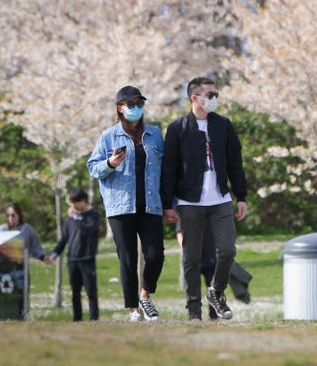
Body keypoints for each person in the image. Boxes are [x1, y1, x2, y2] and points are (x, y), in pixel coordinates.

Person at [161, 76, 248, 321]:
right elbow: (169, 168)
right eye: (210, 95)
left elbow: (235, 163)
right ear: (195, 98)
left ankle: (216, 292)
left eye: (215, 94)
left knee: (228, 250)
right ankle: (193, 310)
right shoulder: (178, 128)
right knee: (191, 258)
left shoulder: (223, 125)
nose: (214, 99)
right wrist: (167, 203)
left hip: (220, 199)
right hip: (189, 202)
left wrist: (241, 196)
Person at [87, 85, 176, 323]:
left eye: (140, 104)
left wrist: (170, 203)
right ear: (120, 108)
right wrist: (111, 163)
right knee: (127, 259)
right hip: (120, 206)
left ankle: (145, 295)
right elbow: (93, 168)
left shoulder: (155, 134)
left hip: (151, 204)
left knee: (156, 255)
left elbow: (167, 171)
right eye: (132, 104)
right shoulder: (108, 136)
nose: (137, 108)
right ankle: (133, 308)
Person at [175, 216, 253, 320]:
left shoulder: (213, 213)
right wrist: (186, 250)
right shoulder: (190, 211)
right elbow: (179, 233)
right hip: (194, 260)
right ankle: (195, 314)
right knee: (193, 289)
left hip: (210, 258)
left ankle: (214, 316)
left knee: (214, 289)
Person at [47, 188, 101, 321]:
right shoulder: (70, 220)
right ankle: (77, 319)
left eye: (74, 203)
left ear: (82, 201)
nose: (72, 207)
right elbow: (64, 239)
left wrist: (77, 218)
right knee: (75, 292)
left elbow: (88, 230)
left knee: (91, 292)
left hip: (87, 259)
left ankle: (93, 319)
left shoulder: (94, 216)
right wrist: (54, 254)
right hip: (72, 259)